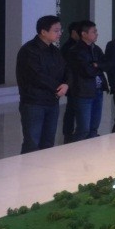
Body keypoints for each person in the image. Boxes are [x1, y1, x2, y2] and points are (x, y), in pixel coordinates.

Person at [16, 15, 70, 154]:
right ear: (43, 32)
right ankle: (28, 167)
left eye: (60, 30)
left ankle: (45, 167)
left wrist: (66, 84)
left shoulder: (55, 51)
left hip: (52, 101)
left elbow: (65, 69)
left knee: (48, 142)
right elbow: (36, 76)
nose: (60, 33)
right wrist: (57, 87)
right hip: (34, 102)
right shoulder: (29, 50)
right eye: (56, 30)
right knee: (32, 142)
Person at [67, 20, 108, 141]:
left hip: (98, 90)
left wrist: (96, 65)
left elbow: (107, 64)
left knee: (94, 127)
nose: (96, 34)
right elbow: (87, 71)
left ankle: (92, 150)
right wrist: (97, 66)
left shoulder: (96, 48)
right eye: (93, 32)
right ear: (84, 34)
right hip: (83, 92)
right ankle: (76, 150)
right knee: (83, 128)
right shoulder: (76, 50)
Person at [60, 21, 81, 144]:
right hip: (72, 83)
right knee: (71, 109)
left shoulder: (78, 45)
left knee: (73, 109)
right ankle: (68, 134)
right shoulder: (68, 47)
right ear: (73, 32)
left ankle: (69, 133)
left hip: (76, 83)